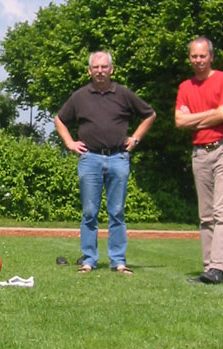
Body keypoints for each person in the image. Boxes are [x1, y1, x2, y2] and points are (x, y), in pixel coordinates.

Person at [54, 51, 156, 274]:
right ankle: (89, 260)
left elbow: (150, 115)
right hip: (89, 158)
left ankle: (118, 261)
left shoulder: (124, 94)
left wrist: (136, 138)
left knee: (117, 211)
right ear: (89, 71)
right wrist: (70, 143)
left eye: (104, 67)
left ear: (111, 69)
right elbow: (59, 119)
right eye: (96, 67)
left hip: (118, 157)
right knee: (90, 212)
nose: (100, 71)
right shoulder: (79, 97)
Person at [176, 37, 223, 285]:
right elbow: (179, 122)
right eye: (194, 56)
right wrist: (212, 115)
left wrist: (195, 118)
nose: (198, 61)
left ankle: (218, 268)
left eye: (202, 56)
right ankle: (208, 268)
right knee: (205, 215)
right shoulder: (185, 87)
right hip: (200, 152)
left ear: (211, 56)